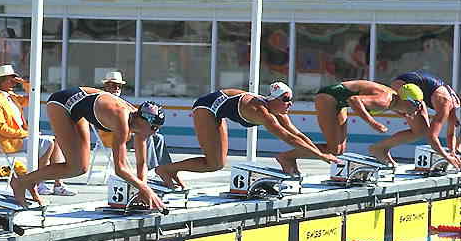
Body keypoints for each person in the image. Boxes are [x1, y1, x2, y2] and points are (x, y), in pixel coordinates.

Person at [9, 87, 166, 211]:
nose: (155, 132)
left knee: (81, 168)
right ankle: (20, 182)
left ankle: (29, 181)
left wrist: (142, 190)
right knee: (74, 166)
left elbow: (141, 163)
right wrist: (145, 189)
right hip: (61, 103)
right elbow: (120, 168)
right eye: (154, 127)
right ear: (143, 120)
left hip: (79, 107)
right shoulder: (122, 120)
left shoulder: (139, 126)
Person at [155, 83, 338, 187]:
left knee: (217, 163)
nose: (290, 103)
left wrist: (322, 153)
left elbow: (297, 135)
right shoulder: (261, 112)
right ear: (274, 99)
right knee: (214, 163)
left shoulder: (279, 112)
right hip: (206, 108)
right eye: (286, 99)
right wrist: (322, 156)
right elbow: (288, 138)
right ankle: (165, 169)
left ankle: (171, 169)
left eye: (291, 99)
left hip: (219, 109)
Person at [279, 80, 429, 168]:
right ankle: (287, 157)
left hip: (338, 99)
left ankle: (289, 157)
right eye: (416, 104)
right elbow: (354, 100)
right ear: (406, 100)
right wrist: (373, 123)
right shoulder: (385, 101)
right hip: (328, 97)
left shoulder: (395, 100)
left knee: (338, 150)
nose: (418, 109)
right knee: (333, 148)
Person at [0, 65, 75, 196]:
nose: (13, 82)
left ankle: (58, 184)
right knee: (47, 143)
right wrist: (28, 133)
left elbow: (32, 98)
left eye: (14, 79)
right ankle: (38, 182)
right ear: (1, 81)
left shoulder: (12, 97)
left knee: (55, 142)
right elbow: (3, 129)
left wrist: (24, 83)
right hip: (11, 142)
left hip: (22, 138)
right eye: (10, 79)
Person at [369, 70, 461, 168]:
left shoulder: (454, 108)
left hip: (415, 86)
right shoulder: (445, 107)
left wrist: (452, 152)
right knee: (420, 131)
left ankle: (381, 147)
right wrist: (447, 157)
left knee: (422, 130)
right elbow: (432, 137)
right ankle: (380, 148)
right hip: (404, 86)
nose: (456, 124)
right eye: (458, 123)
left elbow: (451, 134)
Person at [99, 71, 172, 170]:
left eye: (119, 86)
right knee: (145, 135)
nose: (117, 88)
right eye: (113, 85)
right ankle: (153, 170)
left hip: (127, 133)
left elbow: (134, 114)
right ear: (106, 86)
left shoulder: (120, 101)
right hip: (112, 137)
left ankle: (167, 169)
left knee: (158, 137)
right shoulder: (104, 101)